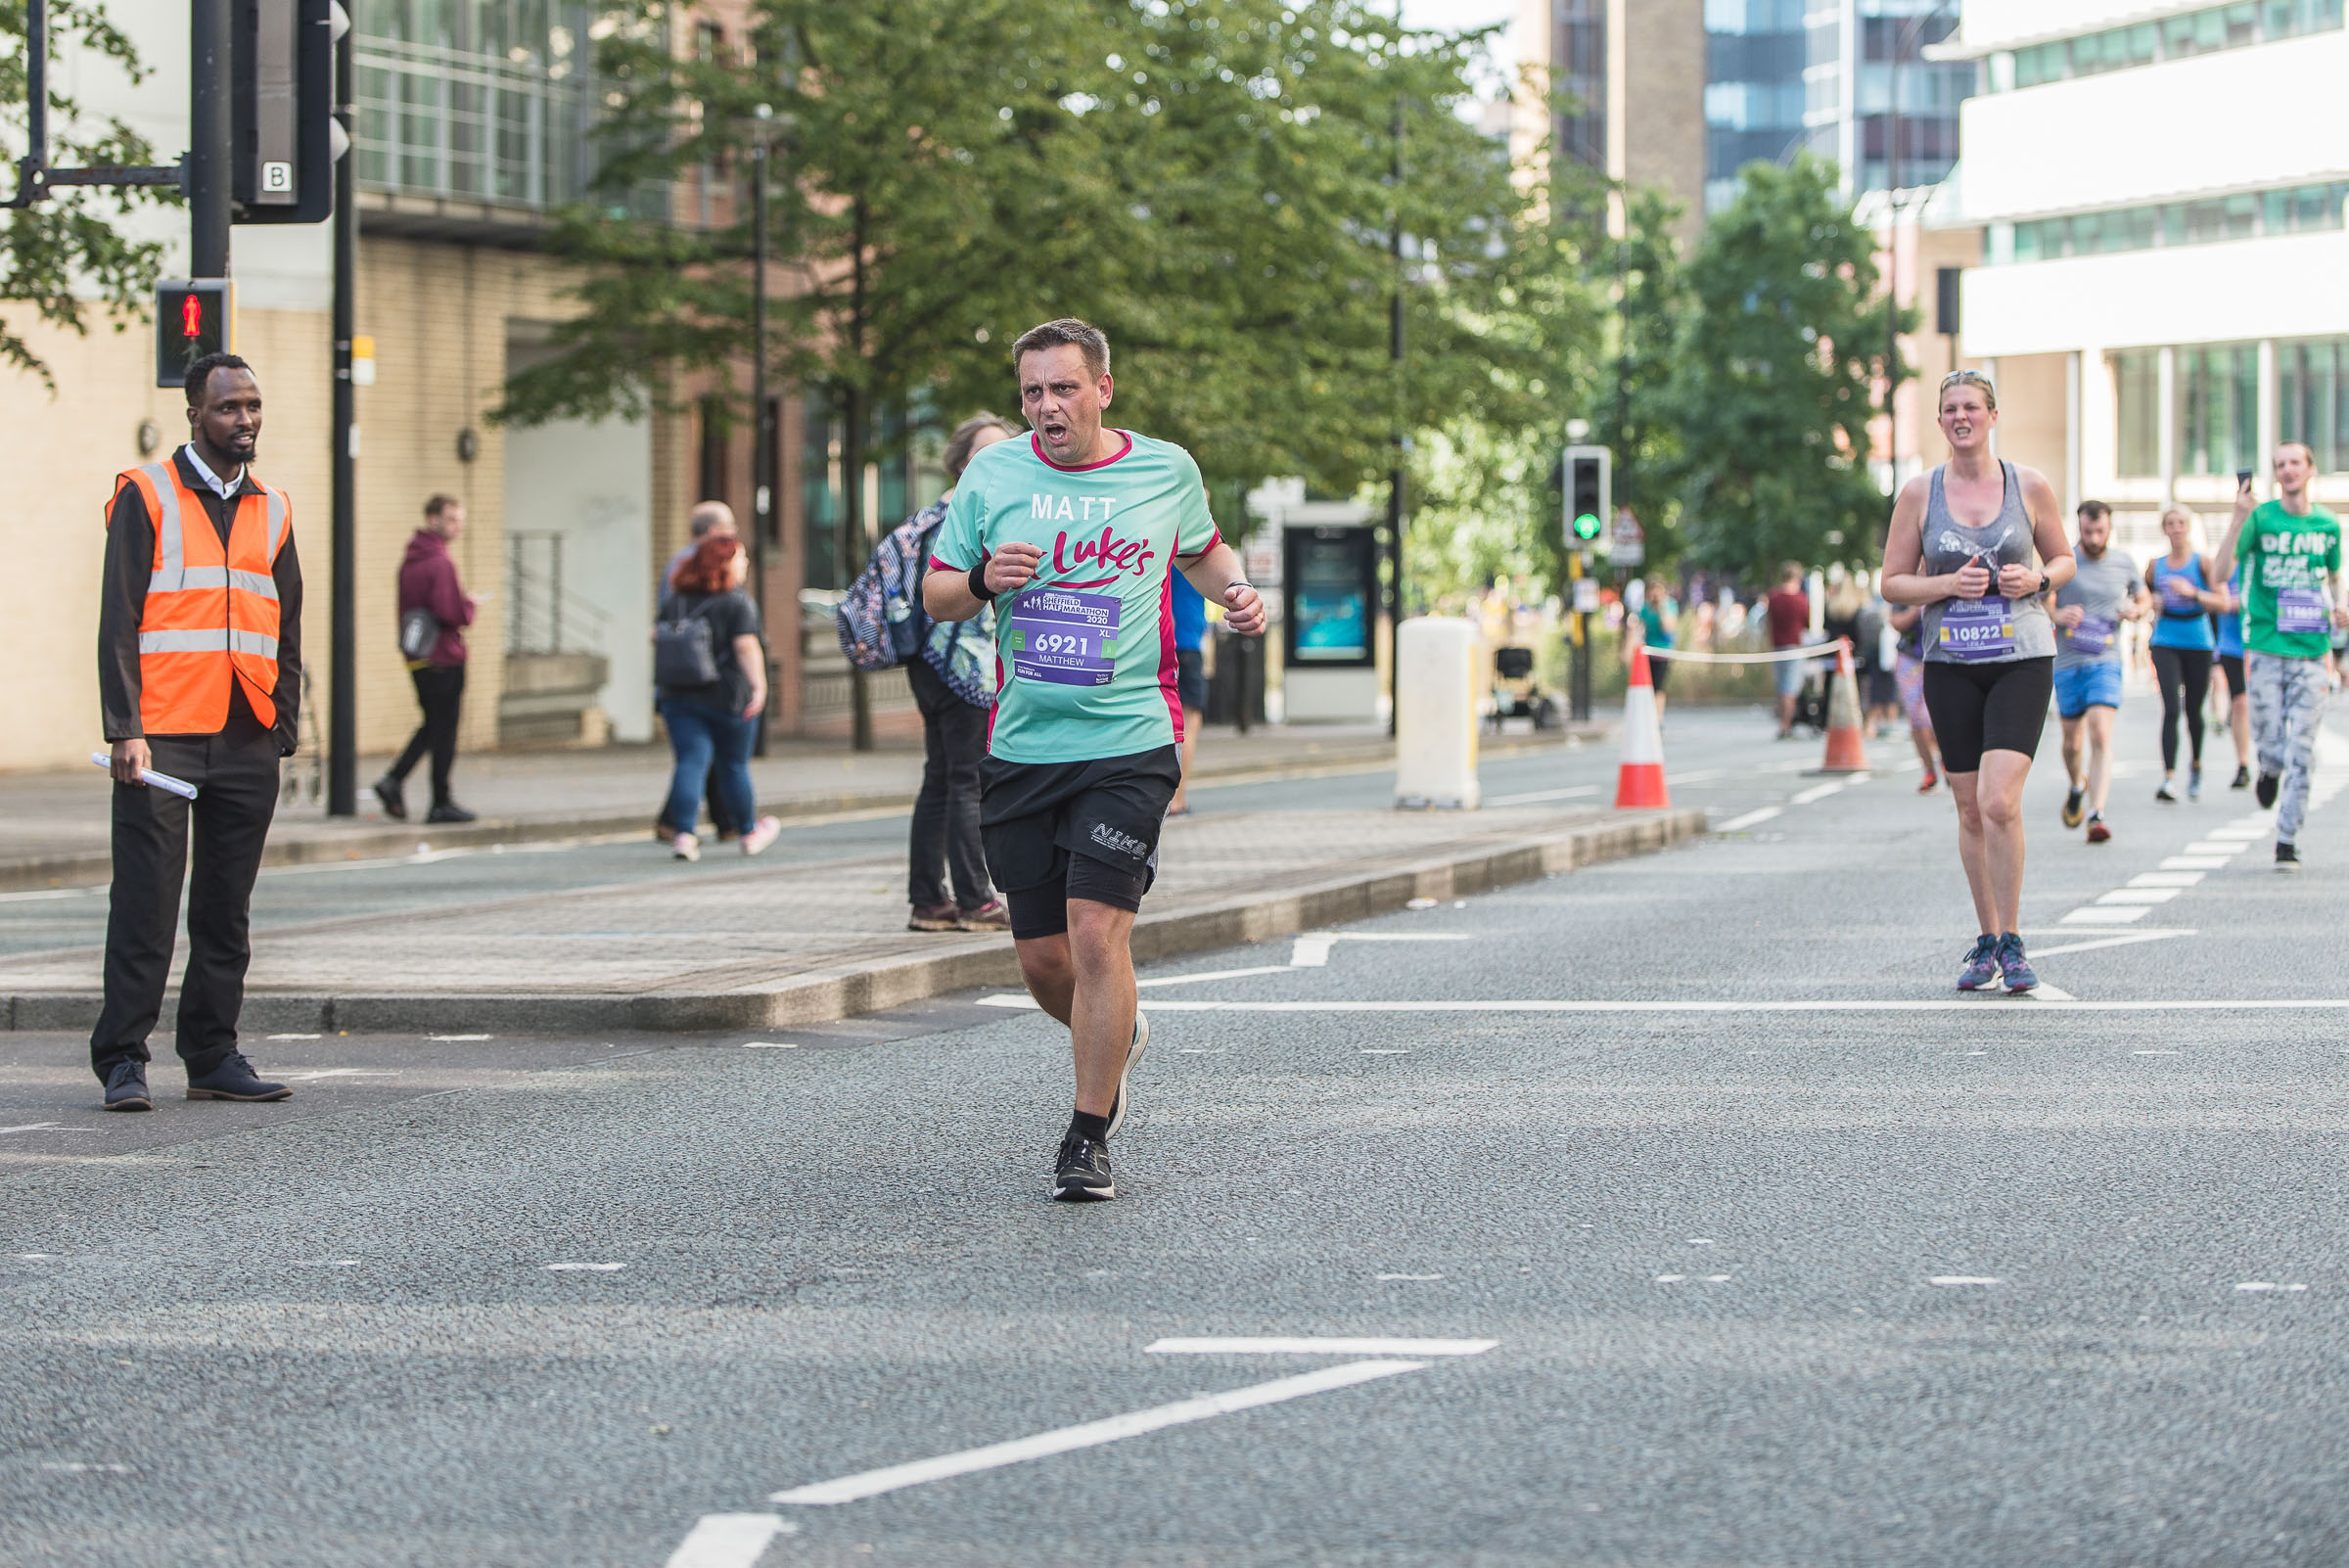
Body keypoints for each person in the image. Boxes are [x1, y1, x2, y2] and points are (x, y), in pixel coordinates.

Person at [924, 317, 1267, 1203]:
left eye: (1063, 388)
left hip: (1128, 740)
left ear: (1103, 389)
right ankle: (1117, 1033)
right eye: (1032, 391)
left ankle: (1087, 1133)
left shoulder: (1164, 470)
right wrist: (982, 583)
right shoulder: (993, 477)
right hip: (1023, 746)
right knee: (1044, 961)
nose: (1045, 407)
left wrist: (1234, 593)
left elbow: (1199, 550)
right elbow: (936, 591)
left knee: (1094, 932)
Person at [91, 352, 301, 1111]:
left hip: (246, 731)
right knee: (146, 905)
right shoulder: (146, 495)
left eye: (251, 406)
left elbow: (287, 619)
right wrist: (125, 727)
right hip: (162, 735)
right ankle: (122, 1060)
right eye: (227, 408)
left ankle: (212, 1053)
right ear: (194, 416)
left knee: (225, 910)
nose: (243, 420)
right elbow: (119, 618)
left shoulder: (273, 506)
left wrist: (285, 717)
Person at [1881, 369, 2074, 993]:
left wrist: (2037, 581)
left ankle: (2014, 940)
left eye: (1971, 407)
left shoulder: (2030, 485)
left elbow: (2063, 557)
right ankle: (1987, 939)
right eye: (1950, 409)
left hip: (2021, 655)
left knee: (1998, 800)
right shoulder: (1918, 494)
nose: (1961, 417)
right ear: (1940, 422)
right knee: (1967, 807)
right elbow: (1892, 583)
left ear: (1992, 416)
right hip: (1949, 661)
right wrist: (1944, 585)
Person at [905, 414, 1017, 932]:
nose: (996, 462)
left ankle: (929, 899)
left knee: (940, 779)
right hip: (962, 668)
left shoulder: (933, 514)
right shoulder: (967, 515)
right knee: (968, 780)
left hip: (928, 664)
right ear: (960, 462)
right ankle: (974, 898)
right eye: (985, 453)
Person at [2212, 441, 2345, 870]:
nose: (2288, 470)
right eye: (2280, 464)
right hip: (2266, 647)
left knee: (2303, 748)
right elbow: (2219, 575)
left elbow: (2335, 577)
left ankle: (2287, 837)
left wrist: (2341, 605)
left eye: (2295, 463)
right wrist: (2237, 517)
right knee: (2271, 738)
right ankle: (2268, 766)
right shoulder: (2260, 518)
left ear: (2310, 469)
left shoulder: (2327, 525)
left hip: (2311, 651)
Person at [657, 535, 780, 862]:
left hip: (678, 695)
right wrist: (760, 687)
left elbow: (657, 637)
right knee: (734, 766)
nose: (746, 564)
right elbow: (745, 646)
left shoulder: (677, 599)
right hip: (727, 697)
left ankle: (684, 835)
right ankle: (748, 833)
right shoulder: (737, 602)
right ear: (724, 562)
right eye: (741, 558)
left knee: (690, 761)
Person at [373, 494, 479, 823]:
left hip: (417, 656)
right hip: (444, 656)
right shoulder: (440, 563)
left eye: (460, 519)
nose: (457, 526)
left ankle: (395, 781)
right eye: (451, 519)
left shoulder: (411, 560)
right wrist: (470, 605)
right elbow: (452, 612)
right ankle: (439, 801)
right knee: (443, 729)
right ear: (432, 519)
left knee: (434, 725)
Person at [2050, 500, 2142, 845]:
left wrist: (2136, 609)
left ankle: (2096, 813)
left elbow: (2143, 597)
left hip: (2106, 659)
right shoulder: (2065, 562)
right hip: (2069, 662)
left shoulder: (2123, 562)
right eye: (2087, 532)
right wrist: (2058, 616)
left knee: (2100, 733)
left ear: (2109, 528)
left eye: (2099, 531)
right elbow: (2042, 599)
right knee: (2072, 743)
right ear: (2079, 529)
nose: (2093, 537)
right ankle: (2077, 785)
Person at [657, 501, 743, 845]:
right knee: (702, 755)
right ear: (712, 532)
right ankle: (716, 823)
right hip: (705, 677)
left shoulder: (676, 564)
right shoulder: (696, 565)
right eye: (728, 529)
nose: (734, 537)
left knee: (697, 755)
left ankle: (715, 822)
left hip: (678, 678)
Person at [2144, 506, 2221, 803]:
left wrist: (2193, 593)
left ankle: (2197, 765)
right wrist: (2152, 602)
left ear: (2189, 528)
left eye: (2181, 523)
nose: (2176, 529)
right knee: (2171, 708)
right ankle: (2169, 777)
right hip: (2165, 639)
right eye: (2170, 524)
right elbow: (2144, 595)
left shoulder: (2202, 563)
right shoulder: (2155, 565)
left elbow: (2221, 601)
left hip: (2198, 640)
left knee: (2193, 710)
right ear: (2164, 529)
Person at [1167, 571, 1211, 814]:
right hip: (1186, 647)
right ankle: (1176, 800)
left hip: (1165, 644)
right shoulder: (1192, 551)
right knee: (1188, 723)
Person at [1886, 604, 1940, 791]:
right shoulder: (1907, 584)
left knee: (1933, 715)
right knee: (1917, 718)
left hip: (1940, 654)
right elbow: (1896, 622)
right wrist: (1917, 609)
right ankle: (1929, 770)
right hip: (1910, 658)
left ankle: (1946, 760)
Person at [2213, 565, 2253, 788]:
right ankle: (2243, 764)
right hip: (2231, 646)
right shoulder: (2226, 566)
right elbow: (2222, 601)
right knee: (2240, 703)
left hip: (2261, 644)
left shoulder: (2261, 561)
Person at [1766, 561, 1810, 738]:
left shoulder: (1774, 598)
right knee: (1790, 688)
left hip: (1778, 646)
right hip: (1794, 646)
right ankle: (1786, 725)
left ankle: (1782, 722)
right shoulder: (1800, 599)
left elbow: (1769, 623)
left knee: (1781, 685)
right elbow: (1806, 622)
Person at [1628, 577, 1674, 722]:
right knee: (1648, 687)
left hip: (1663, 652)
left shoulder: (1669, 606)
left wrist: (1661, 608)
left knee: (1659, 687)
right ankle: (1648, 717)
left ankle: (1658, 718)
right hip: (1647, 652)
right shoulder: (1645, 609)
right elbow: (1636, 628)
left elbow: (1668, 628)